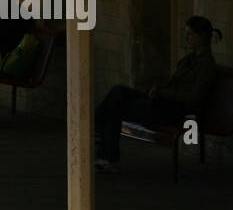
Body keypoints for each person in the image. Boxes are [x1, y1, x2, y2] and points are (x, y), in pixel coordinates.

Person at [94, 16, 222, 173]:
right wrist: (158, 89)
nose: (186, 38)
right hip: (162, 103)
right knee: (118, 91)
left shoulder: (206, 66)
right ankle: (99, 133)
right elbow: (173, 84)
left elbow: (193, 97)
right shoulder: (188, 60)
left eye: (190, 34)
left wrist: (163, 92)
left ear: (202, 36)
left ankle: (106, 153)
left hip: (173, 111)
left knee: (115, 107)